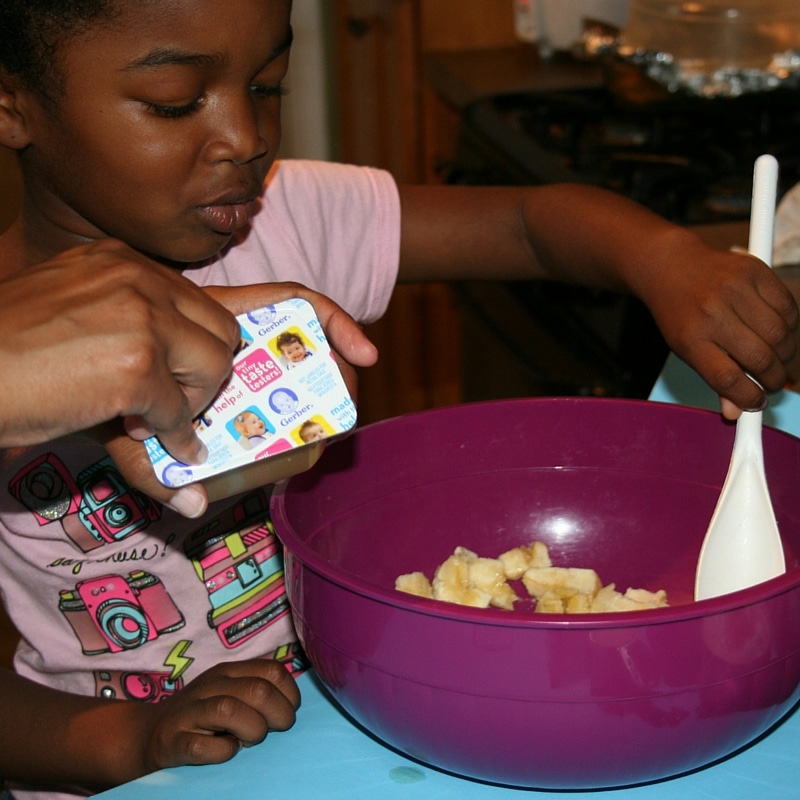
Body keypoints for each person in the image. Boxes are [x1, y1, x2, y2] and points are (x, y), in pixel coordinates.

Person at [0, 1, 797, 797]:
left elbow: (525, 223)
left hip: (335, 730)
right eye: (175, 100)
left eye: (269, 84)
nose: (245, 138)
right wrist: (131, 742)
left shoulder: (283, 219)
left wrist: (663, 260)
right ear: (12, 104)